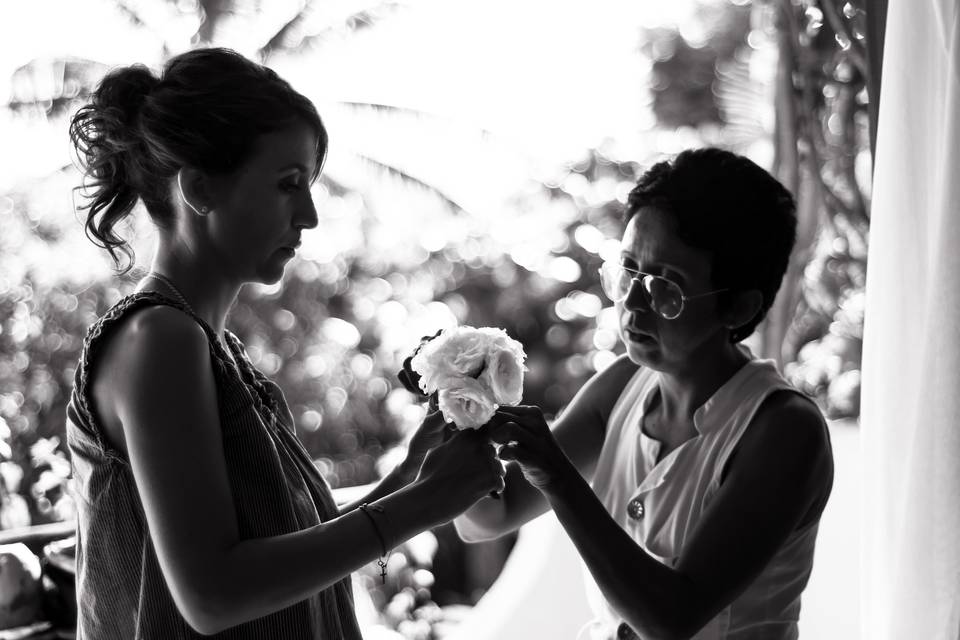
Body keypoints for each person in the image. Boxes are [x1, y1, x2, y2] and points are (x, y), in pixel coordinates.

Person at [65, 47, 504, 639]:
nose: (310, 215)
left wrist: (410, 478)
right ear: (199, 188)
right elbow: (213, 595)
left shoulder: (207, 347)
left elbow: (277, 562)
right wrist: (429, 502)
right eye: (287, 184)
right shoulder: (159, 339)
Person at [455, 148, 835, 640]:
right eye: (629, 271)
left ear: (739, 307)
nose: (632, 305)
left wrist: (557, 474)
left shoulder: (783, 430)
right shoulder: (623, 387)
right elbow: (488, 518)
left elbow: (670, 618)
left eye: (666, 287)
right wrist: (457, 418)